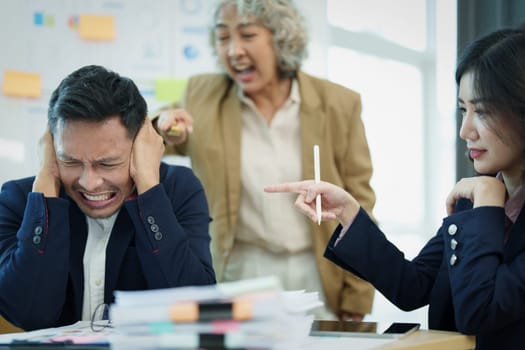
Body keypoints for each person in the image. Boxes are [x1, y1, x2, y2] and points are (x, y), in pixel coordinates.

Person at [264, 27, 525, 349]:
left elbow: (480, 312)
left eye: (482, 112)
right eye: (463, 110)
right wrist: (349, 212)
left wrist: (487, 203)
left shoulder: (480, 200)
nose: (465, 130)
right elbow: (412, 287)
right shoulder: (475, 203)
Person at [154, 0, 376, 320]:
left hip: (318, 272)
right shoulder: (202, 93)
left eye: (247, 35)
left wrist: (357, 297)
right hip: (239, 272)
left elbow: (360, 203)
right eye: (223, 37)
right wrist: (163, 125)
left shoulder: (339, 103)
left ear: (282, 38)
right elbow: (152, 133)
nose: (233, 51)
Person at [0, 65, 216, 331]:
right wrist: (46, 179)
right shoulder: (21, 200)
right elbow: (29, 313)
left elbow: (193, 306)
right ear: (51, 148)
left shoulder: (177, 190)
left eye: (108, 164)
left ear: (141, 146)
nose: (89, 182)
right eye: (70, 161)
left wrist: (148, 186)